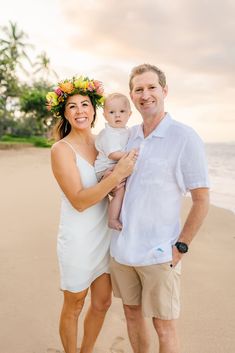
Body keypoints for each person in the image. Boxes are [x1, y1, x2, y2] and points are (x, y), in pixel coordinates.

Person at [110, 64, 210, 353]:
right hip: (123, 250)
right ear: (132, 95)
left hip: (159, 252)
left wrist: (180, 247)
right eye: (138, 89)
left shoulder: (184, 137)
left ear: (164, 91)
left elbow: (202, 200)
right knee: (131, 314)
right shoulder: (128, 136)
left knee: (163, 325)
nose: (145, 94)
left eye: (151, 87)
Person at [46, 75, 137, 353]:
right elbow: (79, 201)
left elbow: (111, 185)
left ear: (94, 110)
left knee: (103, 302)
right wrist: (116, 175)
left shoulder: (103, 143)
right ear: (64, 113)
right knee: (74, 304)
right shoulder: (61, 150)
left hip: (104, 233)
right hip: (78, 238)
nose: (80, 111)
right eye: (72, 106)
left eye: (85, 104)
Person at [94, 93, 132, 230]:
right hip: (104, 169)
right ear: (104, 115)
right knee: (120, 191)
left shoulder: (126, 131)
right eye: (112, 112)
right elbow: (112, 154)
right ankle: (112, 219)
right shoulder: (109, 133)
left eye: (122, 111)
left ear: (129, 114)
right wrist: (131, 155)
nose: (117, 115)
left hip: (114, 166)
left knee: (127, 188)